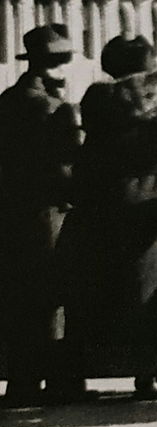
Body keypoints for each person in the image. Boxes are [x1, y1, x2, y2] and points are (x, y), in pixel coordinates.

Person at [66, 36, 157, 398]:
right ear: (151, 64)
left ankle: (141, 372)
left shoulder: (98, 106)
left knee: (127, 283)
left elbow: (87, 160)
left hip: (112, 200)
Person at [0, 25, 87, 406]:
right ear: (51, 67)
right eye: (63, 62)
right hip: (50, 213)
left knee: (18, 298)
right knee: (55, 297)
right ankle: (61, 382)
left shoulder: (5, 101)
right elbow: (70, 166)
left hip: (11, 212)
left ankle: (21, 382)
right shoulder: (57, 110)